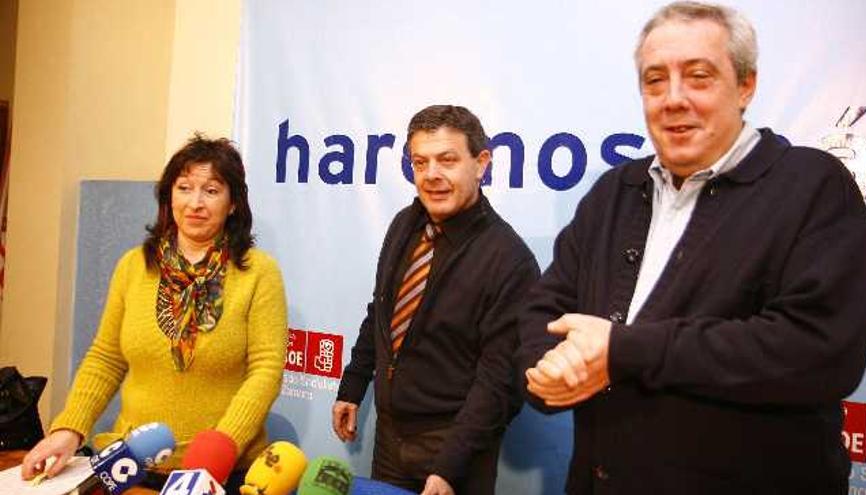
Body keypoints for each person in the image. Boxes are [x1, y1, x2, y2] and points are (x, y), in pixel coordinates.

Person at [518, 2, 866, 494]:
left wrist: (624, 351)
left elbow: (819, 350)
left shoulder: (813, 185)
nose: (673, 98)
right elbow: (545, 307)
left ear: (746, 85)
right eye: (655, 80)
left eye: (699, 76)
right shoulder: (612, 192)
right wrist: (546, 371)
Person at [21, 135, 288, 492]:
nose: (195, 203)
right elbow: (106, 358)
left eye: (211, 190)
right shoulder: (134, 266)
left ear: (234, 203)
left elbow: (266, 370)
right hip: (133, 465)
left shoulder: (259, 272)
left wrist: (219, 450)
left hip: (220, 471)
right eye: (184, 187)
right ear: (168, 197)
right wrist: (69, 428)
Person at [333, 105, 539, 495]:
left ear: (480, 164)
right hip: (390, 439)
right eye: (420, 162)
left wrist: (449, 468)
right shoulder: (403, 226)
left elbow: (499, 383)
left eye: (447, 160)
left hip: (456, 448)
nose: (431, 175)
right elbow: (381, 311)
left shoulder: (510, 260)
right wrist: (353, 386)